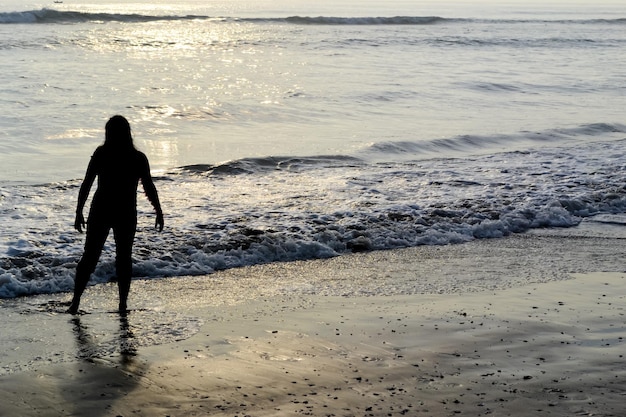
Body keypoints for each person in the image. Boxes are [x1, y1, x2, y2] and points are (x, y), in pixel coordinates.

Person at [68, 115, 164, 315]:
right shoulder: (137, 157)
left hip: (102, 209)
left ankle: (75, 302)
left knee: (91, 257)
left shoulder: (103, 153)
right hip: (125, 211)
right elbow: (149, 187)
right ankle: (122, 304)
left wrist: (79, 211)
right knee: (123, 258)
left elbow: (87, 184)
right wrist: (158, 210)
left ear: (108, 133)